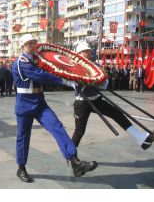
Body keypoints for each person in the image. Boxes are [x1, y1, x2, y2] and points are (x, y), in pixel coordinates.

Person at [12, 34, 97, 183]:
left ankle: (74, 161)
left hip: (39, 102)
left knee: (57, 126)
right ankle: (21, 167)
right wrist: (64, 80)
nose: (32, 45)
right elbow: (39, 75)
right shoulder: (22, 61)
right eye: (28, 43)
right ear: (22, 46)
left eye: (33, 42)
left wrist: (71, 73)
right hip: (24, 104)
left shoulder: (38, 59)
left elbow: (52, 67)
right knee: (23, 137)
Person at [71, 41, 154, 153]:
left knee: (118, 114)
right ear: (80, 53)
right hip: (82, 102)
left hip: (96, 99)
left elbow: (105, 84)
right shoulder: (74, 67)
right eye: (86, 51)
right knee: (79, 131)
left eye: (89, 51)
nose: (89, 53)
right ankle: (71, 156)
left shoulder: (96, 66)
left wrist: (100, 80)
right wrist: (84, 79)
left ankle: (141, 139)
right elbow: (71, 83)